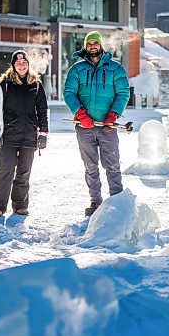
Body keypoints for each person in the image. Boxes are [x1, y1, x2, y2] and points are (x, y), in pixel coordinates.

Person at [63, 31, 130, 217]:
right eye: (89, 43)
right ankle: (95, 201)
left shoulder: (115, 69)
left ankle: (117, 199)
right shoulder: (76, 69)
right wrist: (79, 113)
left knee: (113, 164)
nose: (92, 45)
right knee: (90, 166)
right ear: (85, 46)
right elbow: (69, 93)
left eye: (95, 42)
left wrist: (113, 115)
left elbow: (123, 93)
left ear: (101, 45)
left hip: (108, 127)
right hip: (84, 127)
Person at [0, 50, 49, 217]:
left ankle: (20, 204)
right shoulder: (6, 85)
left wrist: (43, 133)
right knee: (6, 171)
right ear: (13, 65)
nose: (21, 66)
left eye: (24, 63)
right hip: (8, 136)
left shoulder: (36, 85)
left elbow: (42, 111)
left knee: (24, 172)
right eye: (18, 63)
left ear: (28, 64)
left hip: (29, 136)